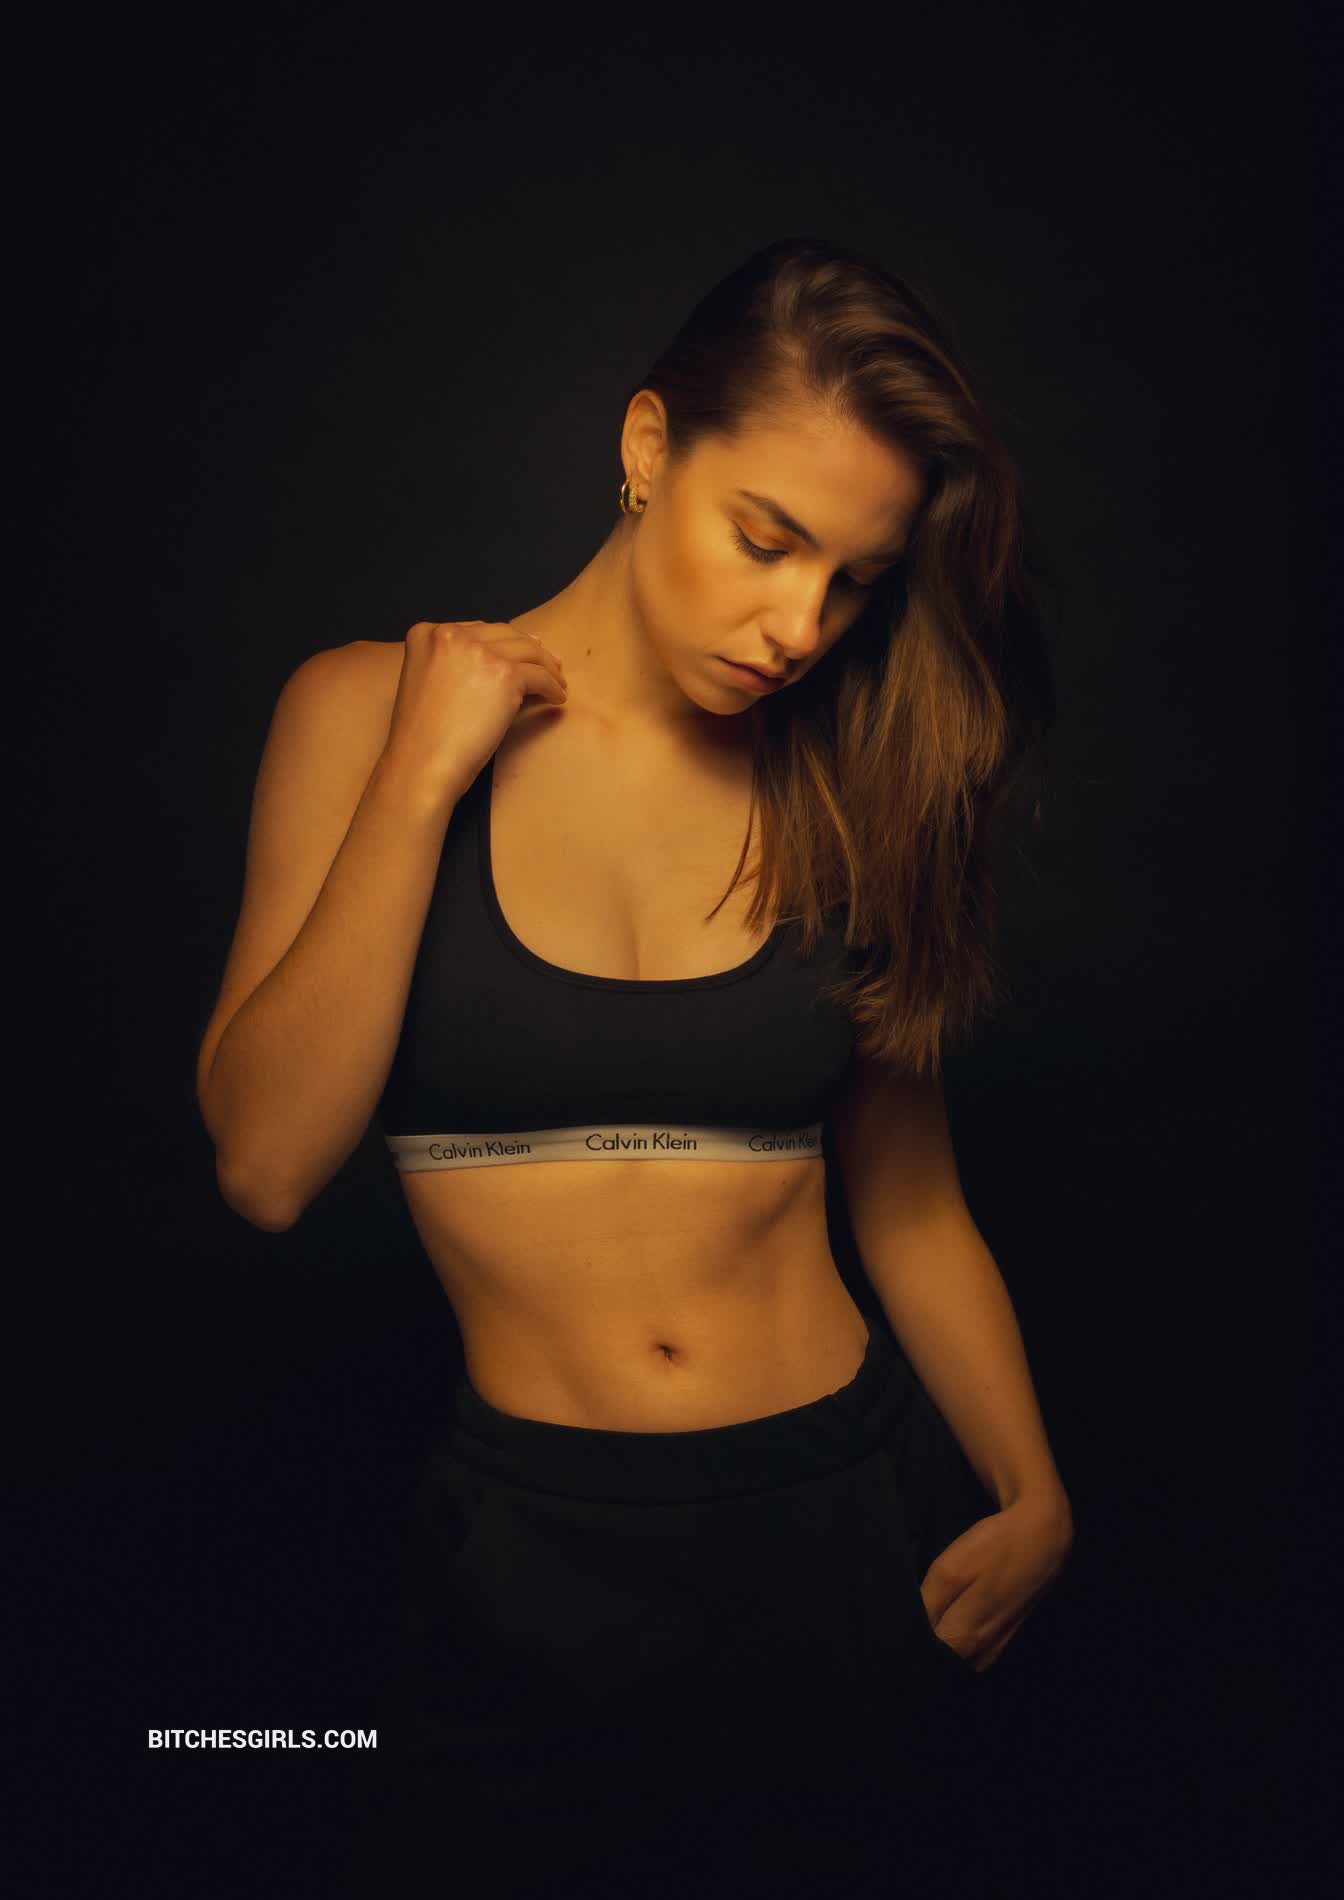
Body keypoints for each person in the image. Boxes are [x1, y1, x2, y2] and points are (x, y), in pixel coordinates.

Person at [195, 236, 1074, 1897]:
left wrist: (1034, 1496)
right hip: (533, 1553)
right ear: (650, 445)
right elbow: (266, 1164)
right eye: (768, 540)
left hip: (844, 1523)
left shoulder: (841, 782)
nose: (799, 625)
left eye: (853, 582)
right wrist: (421, 780)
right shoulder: (362, 713)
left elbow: (912, 1207)